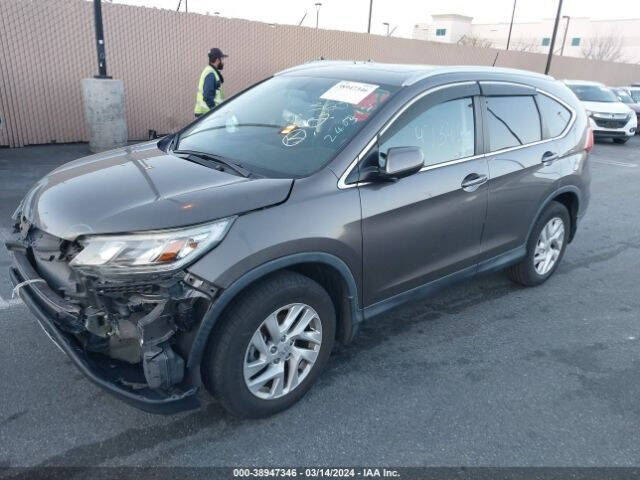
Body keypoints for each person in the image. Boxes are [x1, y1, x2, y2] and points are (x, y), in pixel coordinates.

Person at [194, 47, 228, 117]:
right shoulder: (210, 73)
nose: (223, 62)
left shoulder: (211, 71)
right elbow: (207, 96)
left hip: (206, 112)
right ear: (218, 60)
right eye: (222, 59)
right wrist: (214, 111)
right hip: (205, 113)